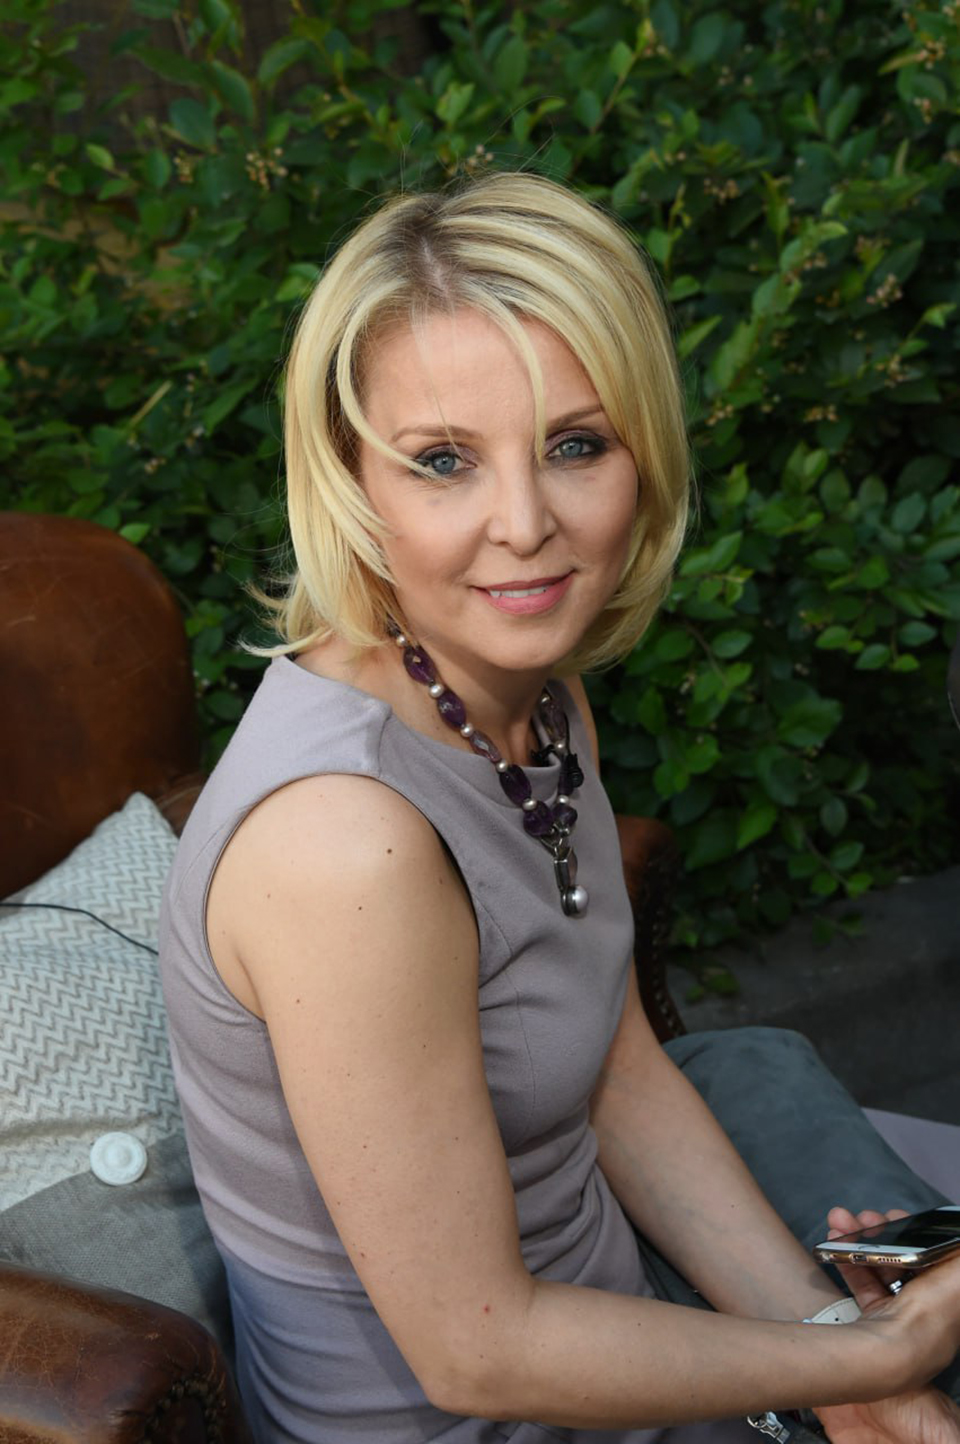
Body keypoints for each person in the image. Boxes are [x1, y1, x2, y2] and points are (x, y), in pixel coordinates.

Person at [159, 171, 960, 1444]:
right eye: (443, 462)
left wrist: (846, 1361)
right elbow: (479, 1356)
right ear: (352, 482)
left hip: (616, 1308)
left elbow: (616, 1070)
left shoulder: (527, 687)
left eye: (576, 445)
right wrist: (866, 1356)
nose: (525, 525)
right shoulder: (344, 848)